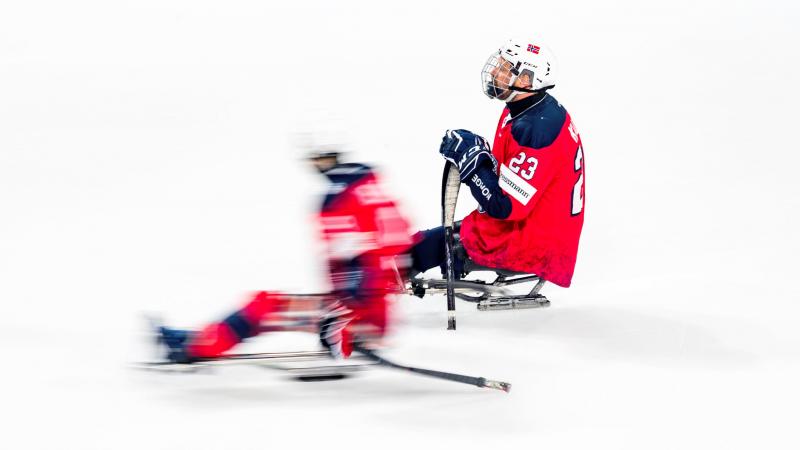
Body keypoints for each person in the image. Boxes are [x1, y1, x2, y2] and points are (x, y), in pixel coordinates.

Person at [157, 149, 414, 363]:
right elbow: (392, 246)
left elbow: (369, 262)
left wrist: (349, 315)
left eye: (317, 158)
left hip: (357, 319)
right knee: (267, 304)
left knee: (265, 306)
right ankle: (199, 338)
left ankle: (195, 348)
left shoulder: (342, 200)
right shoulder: (368, 189)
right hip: (357, 310)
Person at [410, 37, 585, 288]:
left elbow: (506, 207)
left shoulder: (536, 129)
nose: (494, 72)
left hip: (530, 244)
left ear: (525, 80)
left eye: (503, 68)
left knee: (420, 249)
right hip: (533, 229)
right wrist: (479, 157)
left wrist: (473, 165)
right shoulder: (527, 110)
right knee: (424, 243)